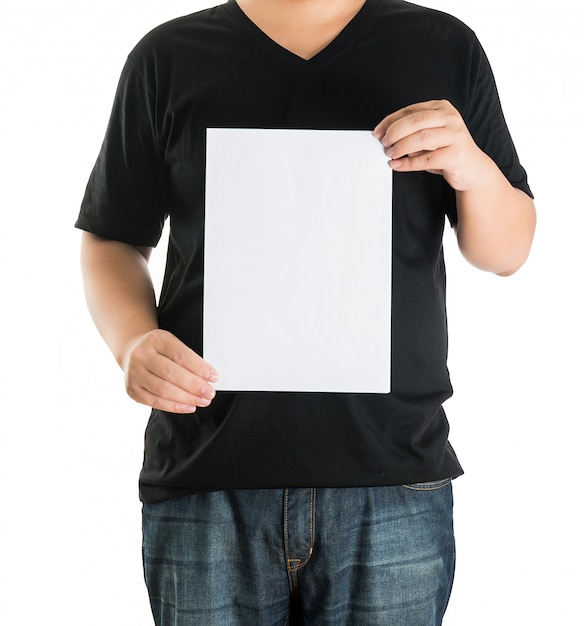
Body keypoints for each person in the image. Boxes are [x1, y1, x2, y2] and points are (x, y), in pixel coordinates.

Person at [77, 0, 536, 624]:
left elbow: (506, 252)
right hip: (206, 469)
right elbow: (112, 234)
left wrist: (472, 169)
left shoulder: (441, 45)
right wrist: (132, 341)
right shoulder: (168, 56)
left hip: (390, 470)